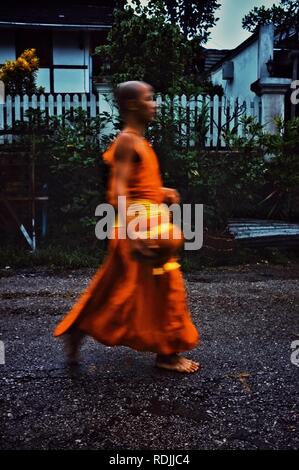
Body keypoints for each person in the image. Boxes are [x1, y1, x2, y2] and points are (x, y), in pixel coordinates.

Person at [54, 80, 200, 373]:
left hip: (144, 225)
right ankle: (168, 354)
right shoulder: (127, 141)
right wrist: (134, 233)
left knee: (115, 290)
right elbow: (118, 191)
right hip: (138, 229)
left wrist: (163, 192)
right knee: (164, 286)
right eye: (150, 98)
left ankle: (78, 329)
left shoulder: (139, 142)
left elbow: (139, 188)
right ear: (133, 104)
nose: (155, 104)